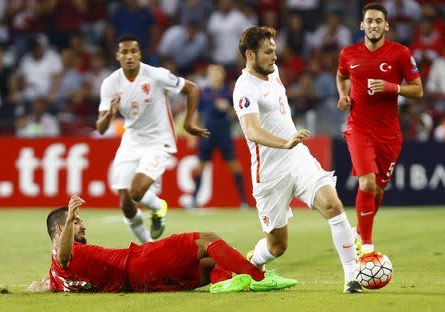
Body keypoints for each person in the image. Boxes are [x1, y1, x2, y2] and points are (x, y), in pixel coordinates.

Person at [233, 26, 361, 293]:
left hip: (297, 159)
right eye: (268, 52)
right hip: (269, 174)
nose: (274, 57)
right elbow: (252, 130)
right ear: (249, 54)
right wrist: (284, 141)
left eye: (274, 51)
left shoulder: (273, 71)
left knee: (333, 205)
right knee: (277, 246)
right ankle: (253, 263)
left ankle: (353, 277)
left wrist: (290, 145)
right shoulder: (244, 89)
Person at [27, 195, 297, 293]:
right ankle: (258, 277)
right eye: (76, 223)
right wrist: (71, 214)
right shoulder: (61, 255)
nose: (82, 225)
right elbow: (62, 255)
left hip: (142, 285)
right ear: (61, 229)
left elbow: (48, 280)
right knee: (208, 240)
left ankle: (224, 280)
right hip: (139, 262)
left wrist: (36, 287)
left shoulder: (57, 278)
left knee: (207, 264)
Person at [95, 34, 210, 243]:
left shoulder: (156, 75)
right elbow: (100, 128)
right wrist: (110, 115)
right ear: (117, 55)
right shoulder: (110, 83)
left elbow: (192, 88)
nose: (129, 56)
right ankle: (148, 246)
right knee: (125, 203)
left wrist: (188, 122)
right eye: (124, 52)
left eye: (133, 51)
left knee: (136, 192)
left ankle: (158, 206)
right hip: (131, 139)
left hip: (159, 141)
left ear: (140, 54)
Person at [336, 3, 423, 256]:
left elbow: (418, 90)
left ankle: (359, 232)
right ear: (361, 25)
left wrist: (391, 87)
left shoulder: (400, 54)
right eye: (369, 21)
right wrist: (343, 95)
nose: (373, 25)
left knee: (378, 189)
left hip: (389, 134)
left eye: (378, 21)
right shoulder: (348, 54)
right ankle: (368, 250)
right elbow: (341, 75)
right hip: (358, 128)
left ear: (386, 26)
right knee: (367, 183)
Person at [191, 64, 249, 209]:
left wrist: (228, 108)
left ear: (222, 75)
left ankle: (243, 202)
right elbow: (196, 114)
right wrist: (193, 134)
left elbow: (238, 115)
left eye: (217, 72)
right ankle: (193, 200)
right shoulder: (203, 93)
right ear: (208, 75)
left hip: (224, 134)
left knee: (235, 167)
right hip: (207, 134)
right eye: (212, 72)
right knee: (200, 167)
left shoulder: (229, 93)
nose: (215, 75)